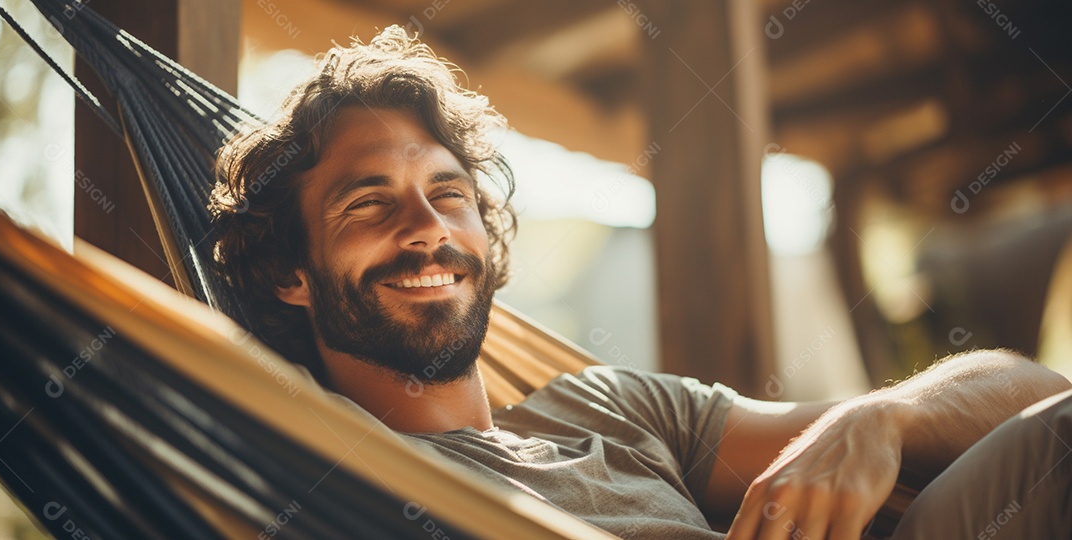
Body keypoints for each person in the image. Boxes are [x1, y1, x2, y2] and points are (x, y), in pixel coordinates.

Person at [209, 26, 1072, 539]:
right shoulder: (336, 494)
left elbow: (1038, 393)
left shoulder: (609, 408)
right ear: (291, 272)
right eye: (368, 204)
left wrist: (885, 417)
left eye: (449, 194)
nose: (429, 227)